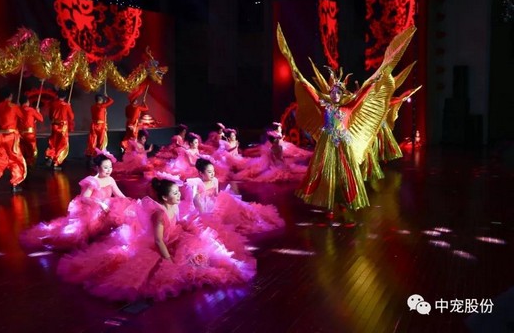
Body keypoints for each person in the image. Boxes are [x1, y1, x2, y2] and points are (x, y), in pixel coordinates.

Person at [277, 24, 416, 220]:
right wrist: (298, 75)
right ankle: (329, 205)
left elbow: (363, 95)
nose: (334, 94)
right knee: (327, 174)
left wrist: (376, 79)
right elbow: (311, 91)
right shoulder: (325, 107)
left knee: (345, 174)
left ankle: (345, 203)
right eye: (332, 92)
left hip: (344, 144)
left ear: (341, 94)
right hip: (327, 145)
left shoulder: (348, 108)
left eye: (337, 92)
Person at [56, 177, 256, 302]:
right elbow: (159, 240)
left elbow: (177, 222)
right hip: (161, 245)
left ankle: (198, 263)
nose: (178, 195)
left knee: (202, 251)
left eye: (178, 192)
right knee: (167, 270)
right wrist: (168, 259)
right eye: (175, 193)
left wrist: (187, 228)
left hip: (175, 237)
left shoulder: (174, 206)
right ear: (165, 197)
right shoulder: (158, 214)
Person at [20, 150, 134, 252]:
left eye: (110, 167)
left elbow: (119, 194)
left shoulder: (110, 179)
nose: (109, 170)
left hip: (105, 207)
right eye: (105, 167)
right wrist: (100, 204)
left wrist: (131, 202)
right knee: (76, 237)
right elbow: (84, 198)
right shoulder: (93, 181)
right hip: (93, 208)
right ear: (97, 168)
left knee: (121, 213)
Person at [183, 158, 285, 235]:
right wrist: (202, 213)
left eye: (213, 171)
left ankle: (255, 218)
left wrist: (220, 202)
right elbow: (195, 199)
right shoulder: (198, 183)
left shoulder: (215, 180)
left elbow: (216, 194)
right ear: (201, 173)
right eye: (209, 172)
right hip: (203, 206)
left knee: (235, 205)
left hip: (214, 202)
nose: (212, 174)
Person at [0, 87, 26, 193]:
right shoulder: (14, 106)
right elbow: (23, 119)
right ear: (10, 96)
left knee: (1, 156)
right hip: (10, 137)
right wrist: (20, 109)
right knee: (15, 159)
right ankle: (15, 182)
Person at [45, 89, 74, 170]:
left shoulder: (53, 104)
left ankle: (50, 156)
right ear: (65, 97)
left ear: (57, 95)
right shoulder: (66, 105)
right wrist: (69, 106)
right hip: (63, 127)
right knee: (62, 144)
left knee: (53, 143)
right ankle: (56, 162)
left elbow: (50, 116)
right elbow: (71, 117)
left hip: (54, 126)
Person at [85, 94, 114, 159]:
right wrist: (107, 96)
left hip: (93, 125)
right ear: (101, 100)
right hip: (100, 126)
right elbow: (111, 101)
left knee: (93, 140)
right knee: (101, 141)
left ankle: (91, 154)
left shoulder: (93, 106)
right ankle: (99, 154)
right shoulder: (102, 106)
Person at [18, 94, 44, 167]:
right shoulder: (31, 110)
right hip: (29, 134)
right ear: (27, 102)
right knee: (32, 151)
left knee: (22, 150)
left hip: (20, 134)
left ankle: (23, 165)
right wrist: (38, 112)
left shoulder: (17, 109)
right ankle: (29, 165)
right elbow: (41, 119)